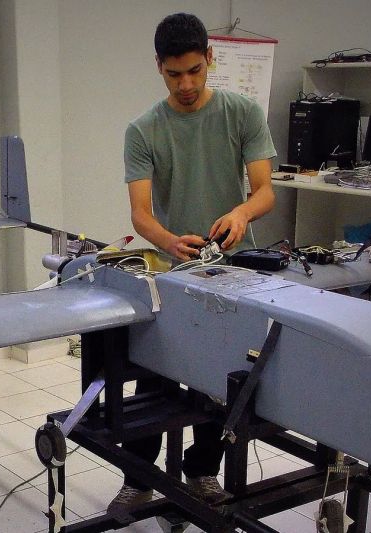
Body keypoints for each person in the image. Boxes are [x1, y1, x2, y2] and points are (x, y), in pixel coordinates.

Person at [110, 13, 276, 514]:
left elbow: (265, 190)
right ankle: (139, 479)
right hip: (173, 270)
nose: (186, 84)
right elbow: (141, 214)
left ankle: (203, 471)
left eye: (195, 72)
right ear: (158, 67)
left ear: (210, 60)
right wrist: (168, 240)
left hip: (235, 266)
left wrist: (242, 212)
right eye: (174, 74)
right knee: (156, 374)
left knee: (224, 377)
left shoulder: (242, 113)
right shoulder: (143, 130)